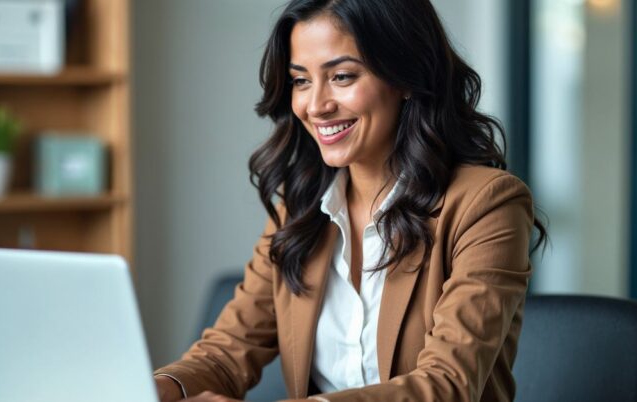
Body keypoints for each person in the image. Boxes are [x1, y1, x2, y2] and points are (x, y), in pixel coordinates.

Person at [154, 0, 547, 401]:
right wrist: (152, 388)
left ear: (406, 77)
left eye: (341, 76)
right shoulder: (302, 205)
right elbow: (225, 355)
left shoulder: (487, 204)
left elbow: (446, 385)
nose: (316, 106)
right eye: (301, 81)